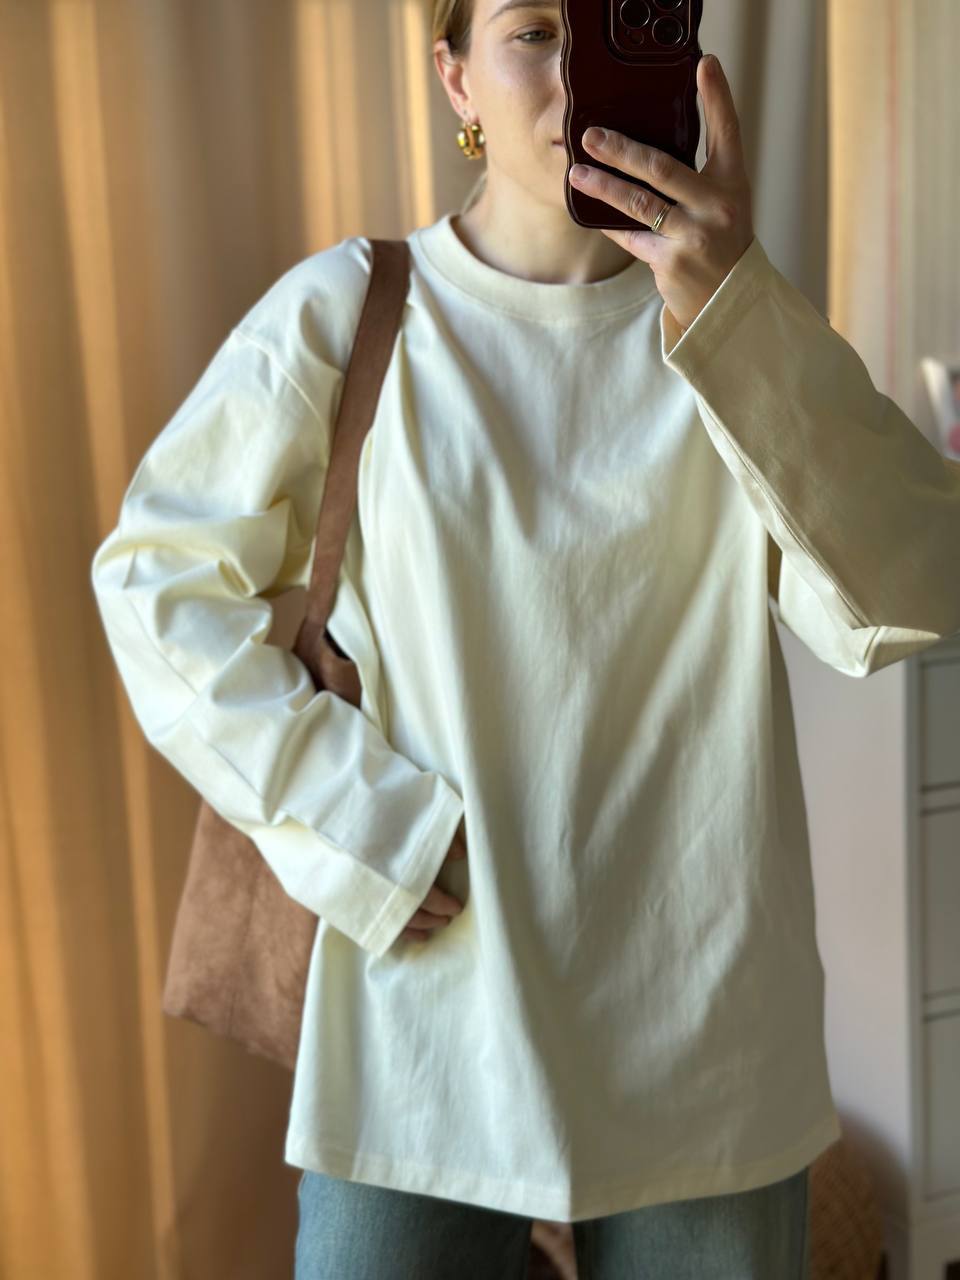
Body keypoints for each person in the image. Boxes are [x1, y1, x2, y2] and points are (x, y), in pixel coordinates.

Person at [90, 0, 960, 1275]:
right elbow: (154, 583)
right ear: (456, 79)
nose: (575, 75)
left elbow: (909, 588)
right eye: (535, 31)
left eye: (614, 22)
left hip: (705, 1046)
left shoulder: (727, 332)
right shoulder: (352, 311)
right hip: (423, 1023)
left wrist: (738, 312)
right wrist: (360, 823)